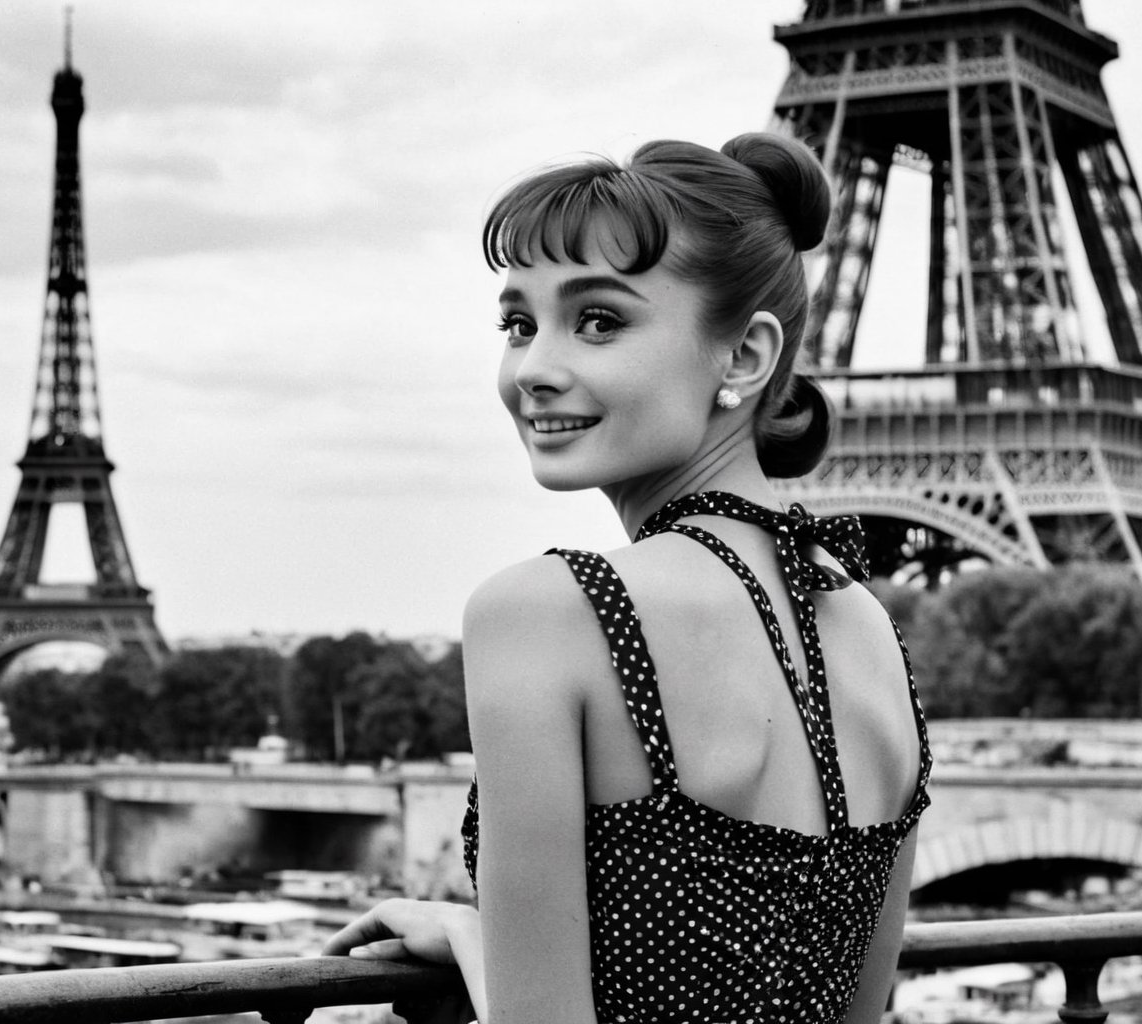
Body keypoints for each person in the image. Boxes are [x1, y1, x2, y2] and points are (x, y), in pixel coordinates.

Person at [323, 133, 931, 1024]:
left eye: (600, 320)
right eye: (519, 324)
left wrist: (470, 937)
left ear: (747, 357)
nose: (534, 370)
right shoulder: (868, 629)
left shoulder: (551, 614)